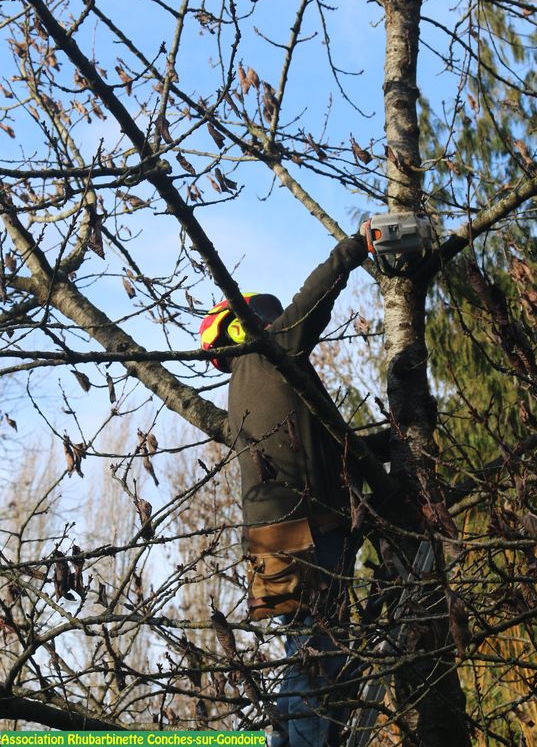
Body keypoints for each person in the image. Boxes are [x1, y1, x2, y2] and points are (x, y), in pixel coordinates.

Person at [200, 229, 389, 747]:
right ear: (246, 326)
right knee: (315, 657)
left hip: (272, 540)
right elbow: (313, 301)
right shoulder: (266, 354)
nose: (277, 323)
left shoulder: (247, 389)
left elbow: (329, 444)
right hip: (307, 529)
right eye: (268, 318)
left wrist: (385, 444)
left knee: (304, 652)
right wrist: (355, 248)